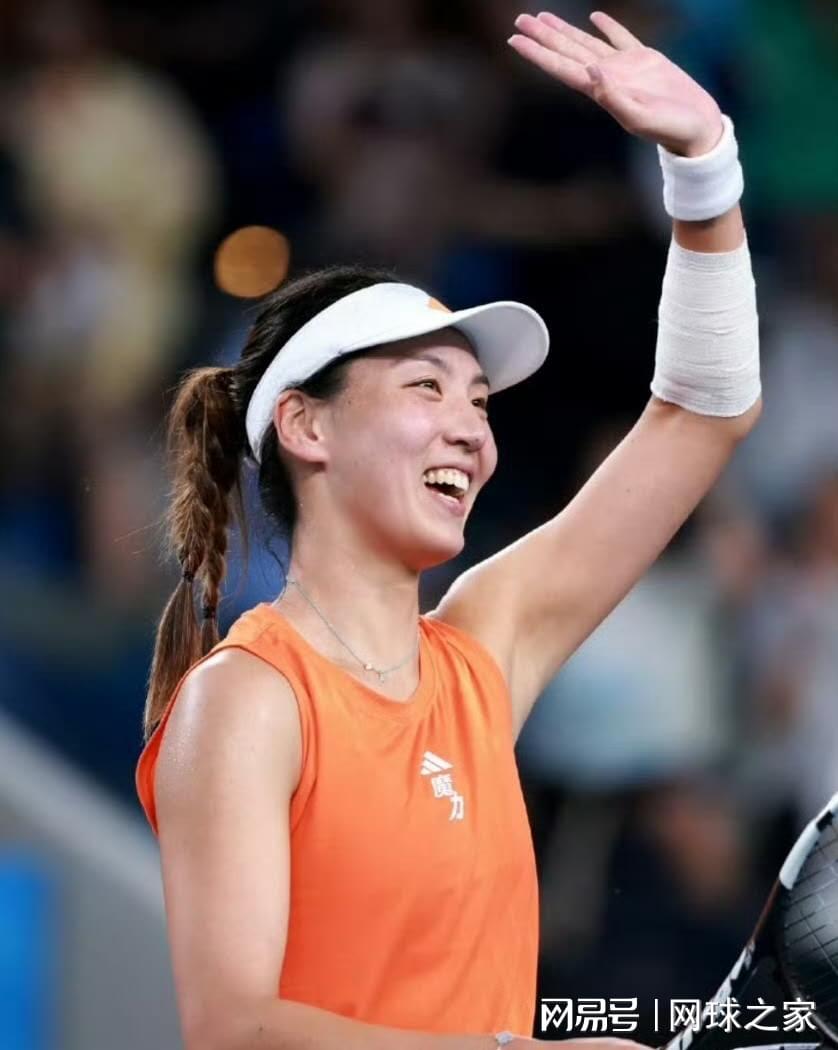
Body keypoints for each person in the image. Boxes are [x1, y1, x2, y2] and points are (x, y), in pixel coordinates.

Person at [134, 10, 761, 1050]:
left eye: (479, 402)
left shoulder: (482, 649)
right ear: (305, 425)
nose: (470, 429)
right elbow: (235, 1028)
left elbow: (704, 414)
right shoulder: (246, 698)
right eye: (426, 387)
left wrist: (705, 171)